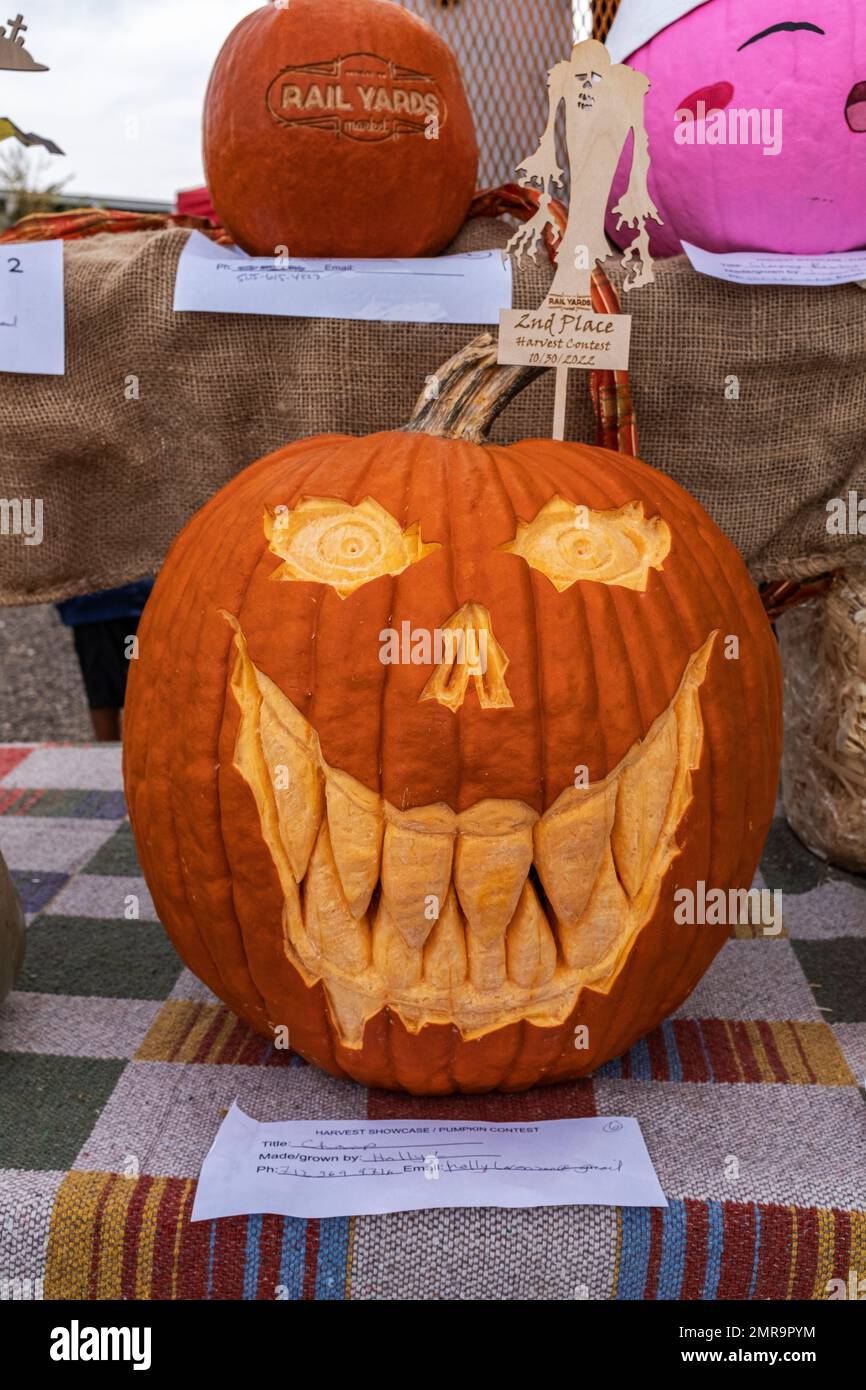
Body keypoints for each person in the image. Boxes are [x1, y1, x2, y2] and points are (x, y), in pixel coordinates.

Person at [55, 578, 154, 741]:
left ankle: (134, 748)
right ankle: (111, 749)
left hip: (128, 605)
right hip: (96, 609)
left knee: (139, 687)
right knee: (107, 691)